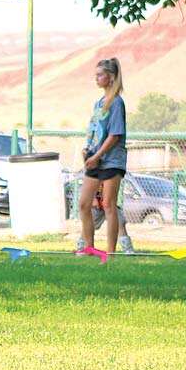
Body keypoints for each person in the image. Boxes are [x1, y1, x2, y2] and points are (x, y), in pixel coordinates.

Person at [78, 58, 127, 254]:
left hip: (111, 160)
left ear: (111, 77)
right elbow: (94, 129)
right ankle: (90, 248)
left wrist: (98, 155)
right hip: (94, 159)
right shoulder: (99, 103)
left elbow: (115, 134)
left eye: (100, 75)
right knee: (84, 204)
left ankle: (111, 252)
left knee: (108, 204)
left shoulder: (116, 103)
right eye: (96, 75)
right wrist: (87, 149)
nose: (96, 79)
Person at [76, 185, 135, 254]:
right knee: (89, 226)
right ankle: (81, 247)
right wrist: (94, 199)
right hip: (97, 205)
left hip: (110, 205)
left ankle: (128, 249)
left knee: (120, 223)